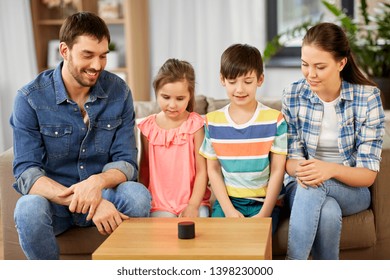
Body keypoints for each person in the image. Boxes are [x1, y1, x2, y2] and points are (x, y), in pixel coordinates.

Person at [9, 12, 151, 260]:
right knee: (28, 208)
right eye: (88, 55)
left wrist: (95, 185)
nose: (97, 65)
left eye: (103, 55)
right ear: (64, 51)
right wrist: (86, 201)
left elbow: (126, 162)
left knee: (136, 195)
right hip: (56, 203)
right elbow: (27, 174)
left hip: (104, 193)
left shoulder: (119, 91)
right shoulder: (29, 98)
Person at [282, 22, 386, 260]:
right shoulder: (293, 94)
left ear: (341, 63)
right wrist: (311, 171)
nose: (310, 74)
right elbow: (290, 161)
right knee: (326, 210)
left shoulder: (367, 98)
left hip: (352, 190)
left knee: (316, 185)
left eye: (320, 66)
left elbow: (367, 174)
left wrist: (328, 170)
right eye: (304, 64)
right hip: (300, 184)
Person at [199, 44, 287, 233]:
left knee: (255, 246)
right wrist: (229, 211)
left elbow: (278, 170)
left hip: (264, 203)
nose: (240, 89)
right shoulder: (212, 122)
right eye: (232, 81)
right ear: (222, 80)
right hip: (228, 202)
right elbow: (213, 170)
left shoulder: (275, 120)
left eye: (248, 81)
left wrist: (264, 213)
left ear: (260, 79)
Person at [138, 58, 211, 217]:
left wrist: (193, 205)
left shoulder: (196, 125)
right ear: (156, 92)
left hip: (193, 202)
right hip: (159, 204)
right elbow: (144, 170)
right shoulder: (148, 128)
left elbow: (202, 171)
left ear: (190, 96)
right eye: (166, 97)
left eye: (180, 99)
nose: (172, 105)